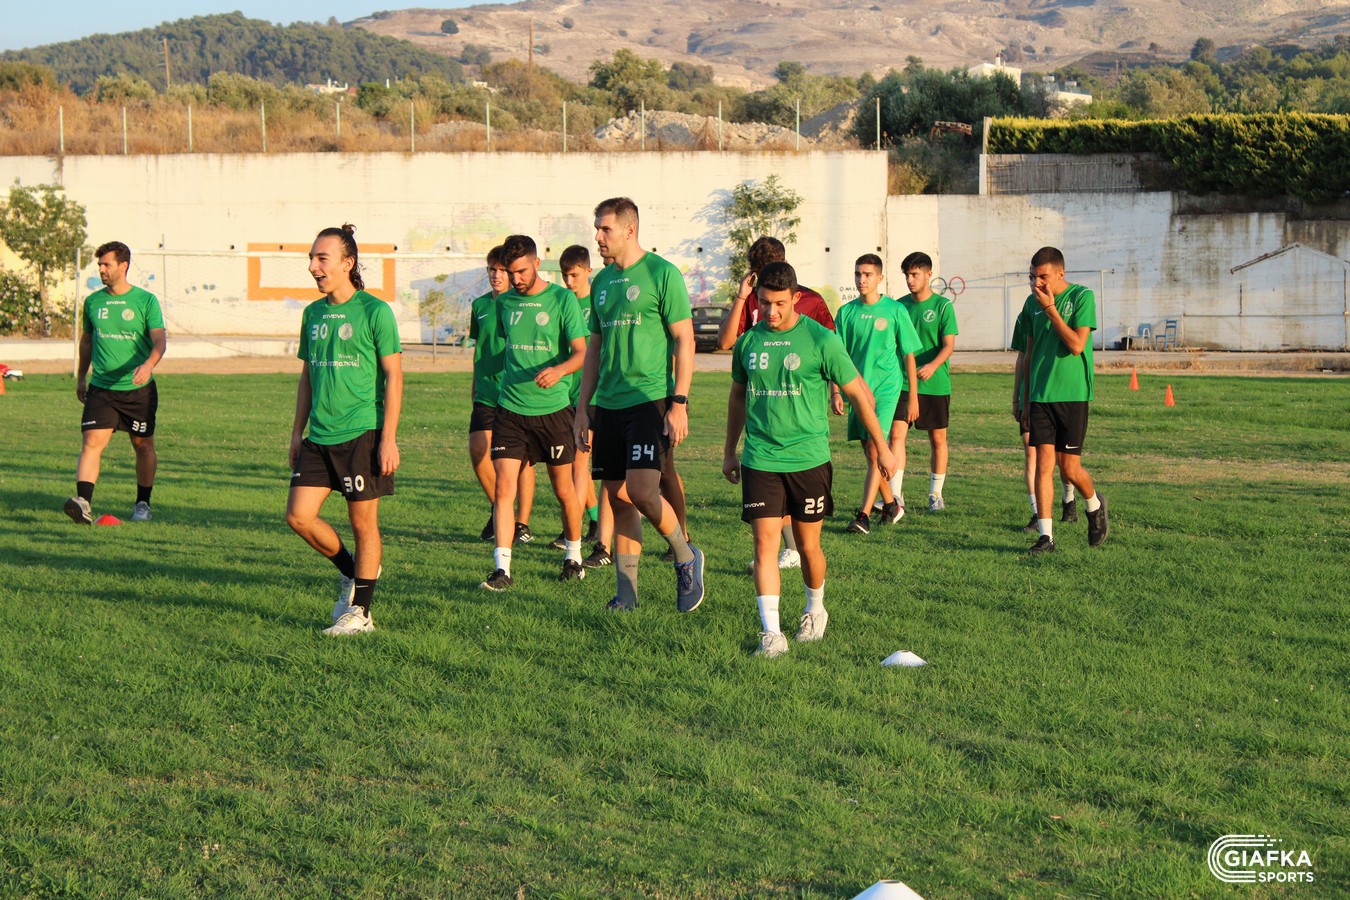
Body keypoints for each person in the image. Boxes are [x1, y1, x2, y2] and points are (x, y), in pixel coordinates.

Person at [724, 261, 897, 658]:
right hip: (761, 458)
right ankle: (772, 634)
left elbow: (858, 395)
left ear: (796, 298)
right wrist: (730, 451)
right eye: (764, 303)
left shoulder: (821, 339)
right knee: (764, 545)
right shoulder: (749, 343)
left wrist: (883, 447)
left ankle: (815, 609)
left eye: (780, 303)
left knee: (808, 546)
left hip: (808, 459)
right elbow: (736, 397)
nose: (771, 312)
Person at [573, 197, 704, 613]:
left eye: (605, 229)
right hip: (608, 405)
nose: (598, 236)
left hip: (649, 401)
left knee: (643, 491)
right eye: (597, 228)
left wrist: (679, 402)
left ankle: (685, 555)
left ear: (629, 230)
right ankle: (626, 596)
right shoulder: (601, 282)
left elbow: (685, 340)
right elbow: (594, 348)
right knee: (617, 498)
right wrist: (583, 408)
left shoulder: (662, 273)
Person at [286, 225, 403, 635]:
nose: (313, 267)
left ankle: (362, 613)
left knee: (362, 523)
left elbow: (394, 376)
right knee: (298, 517)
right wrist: (296, 432)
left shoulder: (374, 311)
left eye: (322, 258)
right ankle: (354, 571)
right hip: (319, 435)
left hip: (362, 431)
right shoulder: (312, 314)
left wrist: (388, 438)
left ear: (347, 263)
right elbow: (307, 377)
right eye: (311, 258)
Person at [716, 235, 835, 571]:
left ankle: (795, 550)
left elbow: (832, 348)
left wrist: (837, 391)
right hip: (763, 419)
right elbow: (726, 341)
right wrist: (742, 296)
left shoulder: (809, 300)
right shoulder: (753, 298)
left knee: (807, 534)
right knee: (769, 500)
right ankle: (784, 551)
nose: (771, 307)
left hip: (802, 422)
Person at [480, 235, 590, 589]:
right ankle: (502, 570)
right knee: (504, 488)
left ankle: (573, 556)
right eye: (511, 272)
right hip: (510, 410)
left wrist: (559, 370)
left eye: (522, 271)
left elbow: (582, 352)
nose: (516, 279)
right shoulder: (504, 303)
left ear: (537, 263)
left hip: (553, 410)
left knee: (563, 490)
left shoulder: (561, 300)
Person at [65, 241, 167, 525]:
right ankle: (83, 503)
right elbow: (87, 342)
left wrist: (148, 365)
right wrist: (81, 377)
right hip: (102, 389)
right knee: (91, 442)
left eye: (106, 264)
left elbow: (160, 341)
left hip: (138, 390)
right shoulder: (93, 302)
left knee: (143, 446)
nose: (101, 269)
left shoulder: (145, 301)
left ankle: (143, 504)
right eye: (99, 264)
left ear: (123, 265)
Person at [1016, 246, 1109, 554]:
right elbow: (1028, 354)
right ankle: (1046, 537)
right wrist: (1024, 399)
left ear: (1060, 273)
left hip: (1072, 395)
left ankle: (1094, 504)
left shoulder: (1082, 297)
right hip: (1040, 396)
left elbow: (1077, 345)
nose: (1037, 283)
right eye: (1032, 277)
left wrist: (1052, 310)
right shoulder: (1031, 304)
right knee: (1043, 465)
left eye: (1043, 277)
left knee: (1069, 469)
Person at [832, 254, 921, 534]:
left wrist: (913, 396)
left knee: (875, 449)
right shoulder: (846, 313)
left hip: (886, 389)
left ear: (880, 278)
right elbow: (836, 357)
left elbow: (908, 355)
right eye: (858, 274)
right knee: (870, 453)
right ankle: (892, 505)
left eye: (868, 274)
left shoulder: (895, 310)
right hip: (857, 390)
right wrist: (835, 390)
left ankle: (863, 516)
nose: (862, 279)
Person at [468, 246, 536, 545]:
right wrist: (474, 384)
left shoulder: (521, 304)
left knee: (522, 461)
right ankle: (500, 508)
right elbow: (479, 347)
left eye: (501, 270)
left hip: (515, 391)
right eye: (491, 269)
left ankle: (521, 523)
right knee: (478, 450)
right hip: (486, 392)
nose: (496, 275)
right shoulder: (479, 305)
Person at [895, 251, 958, 512]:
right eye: (907, 275)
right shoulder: (899, 306)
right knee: (896, 436)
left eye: (915, 274)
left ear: (929, 274)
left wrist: (932, 365)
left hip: (935, 384)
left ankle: (935, 494)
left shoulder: (943, 307)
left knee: (938, 440)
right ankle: (895, 496)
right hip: (902, 383)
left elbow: (949, 345)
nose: (910, 280)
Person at [550, 244, 602, 553]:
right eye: (565, 276)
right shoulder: (560, 302)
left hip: (593, 394)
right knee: (575, 463)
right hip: (566, 395)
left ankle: (575, 531)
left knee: (579, 464)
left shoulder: (598, 302)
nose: (569, 282)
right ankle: (594, 519)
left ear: (588, 271)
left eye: (575, 275)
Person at [1011, 302, 1076, 533]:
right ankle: (1037, 512)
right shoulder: (1025, 316)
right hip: (1031, 395)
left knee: (1061, 457)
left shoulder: (1064, 310)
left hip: (1057, 394)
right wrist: (1017, 398)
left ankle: (1069, 498)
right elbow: (1022, 357)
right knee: (1032, 452)